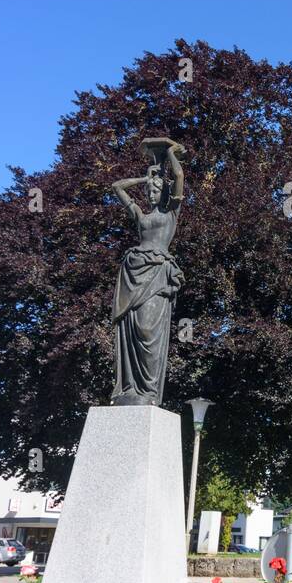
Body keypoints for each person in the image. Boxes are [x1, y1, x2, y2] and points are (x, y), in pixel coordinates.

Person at [110, 138, 185, 407]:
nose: (151, 194)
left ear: (164, 192)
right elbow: (117, 187)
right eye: (149, 191)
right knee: (130, 331)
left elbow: (178, 175)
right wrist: (144, 179)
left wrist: (169, 154)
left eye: (156, 190)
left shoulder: (171, 215)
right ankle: (130, 388)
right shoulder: (141, 216)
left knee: (147, 332)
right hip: (133, 274)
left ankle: (148, 390)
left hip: (156, 276)